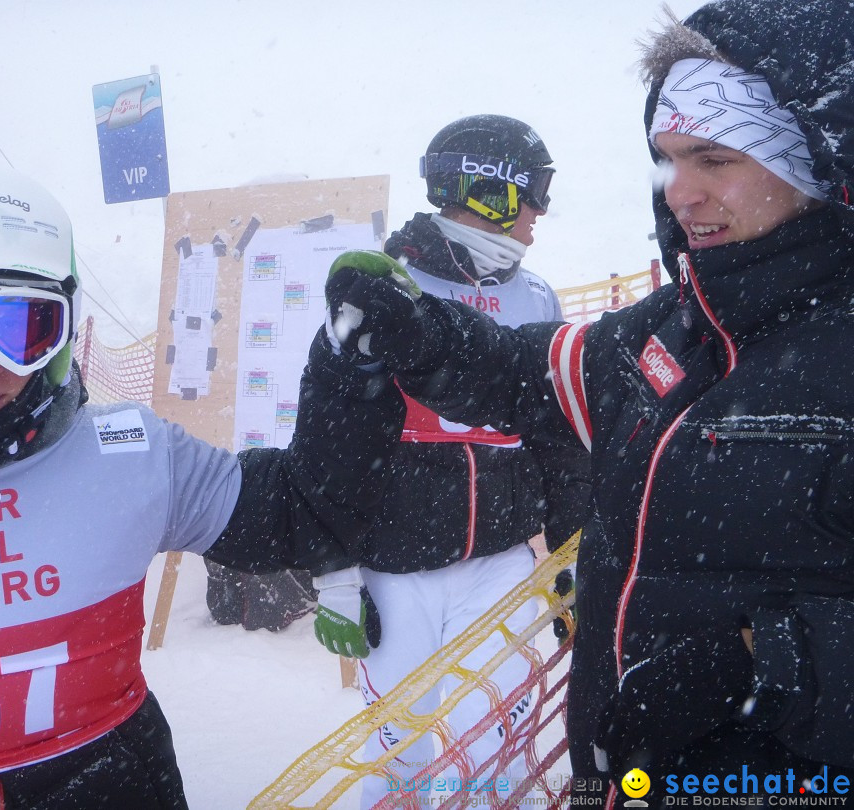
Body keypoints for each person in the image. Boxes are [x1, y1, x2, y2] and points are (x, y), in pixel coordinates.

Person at [320, 0, 854, 804]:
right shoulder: (671, 329)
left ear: (811, 155)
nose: (682, 193)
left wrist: (768, 664)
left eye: (714, 159)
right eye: (668, 159)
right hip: (615, 780)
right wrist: (421, 333)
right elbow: (527, 373)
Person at [0, 160, 405, 809]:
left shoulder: (129, 455)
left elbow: (296, 512)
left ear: (63, 325)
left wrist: (349, 375)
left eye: (23, 328)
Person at [310, 115, 590, 807]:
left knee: (504, 748)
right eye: (536, 191)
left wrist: (574, 553)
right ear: (492, 191)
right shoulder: (385, 286)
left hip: (499, 562)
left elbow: (558, 439)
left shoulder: (535, 296)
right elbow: (328, 438)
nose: (541, 212)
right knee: (399, 755)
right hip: (395, 568)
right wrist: (333, 569)